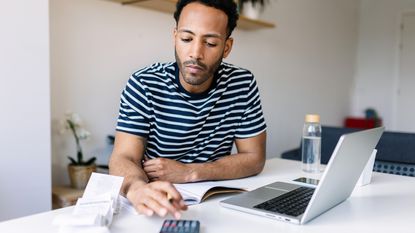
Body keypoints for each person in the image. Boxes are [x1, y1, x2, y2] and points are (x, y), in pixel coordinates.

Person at [109, 0, 267, 219]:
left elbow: (254, 158)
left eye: (210, 43)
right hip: (157, 204)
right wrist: (136, 188)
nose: (195, 53)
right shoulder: (144, 83)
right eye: (186, 39)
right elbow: (123, 157)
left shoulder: (242, 83)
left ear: (226, 47)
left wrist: (190, 172)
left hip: (216, 203)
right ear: (175, 37)